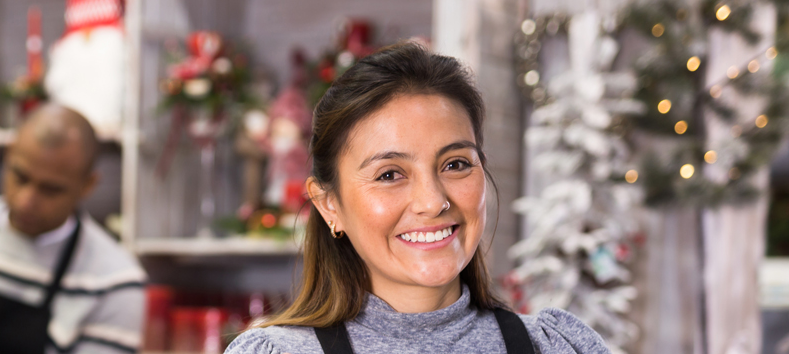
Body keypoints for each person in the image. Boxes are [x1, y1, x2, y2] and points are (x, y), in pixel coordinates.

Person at [224, 42, 608, 354]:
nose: (432, 201)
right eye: (389, 174)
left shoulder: (556, 347)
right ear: (329, 205)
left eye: (456, 164)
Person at [0, 104, 146, 353]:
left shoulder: (113, 282)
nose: (25, 201)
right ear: (9, 154)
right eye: (20, 177)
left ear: (87, 185)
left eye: (51, 190)